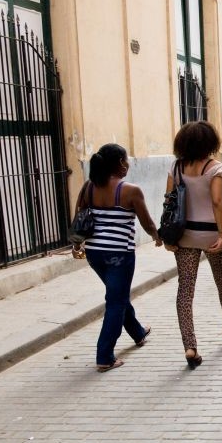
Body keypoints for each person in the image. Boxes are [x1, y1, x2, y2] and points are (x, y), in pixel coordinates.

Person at [74, 143, 161, 372]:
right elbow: (147, 222)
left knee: (117, 295)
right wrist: (157, 237)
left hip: (94, 253)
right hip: (119, 255)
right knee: (116, 301)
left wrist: (76, 245)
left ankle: (138, 332)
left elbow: (79, 218)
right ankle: (104, 356)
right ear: (120, 163)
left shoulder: (88, 188)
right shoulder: (130, 190)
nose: (128, 165)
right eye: (126, 160)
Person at [163, 120, 222, 369]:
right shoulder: (214, 167)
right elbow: (217, 202)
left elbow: (169, 202)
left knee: (185, 290)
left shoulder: (175, 168)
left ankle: (190, 346)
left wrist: (167, 237)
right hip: (210, 235)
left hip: (184, 236)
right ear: (210, 142)